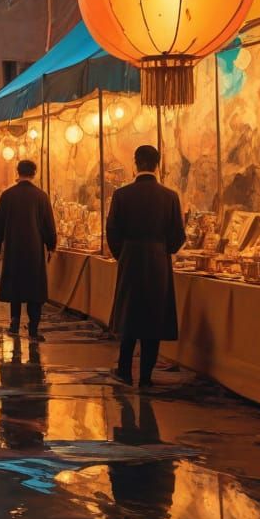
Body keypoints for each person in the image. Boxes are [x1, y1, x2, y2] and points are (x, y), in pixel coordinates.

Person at [106, 144, 186, 388]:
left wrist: (124, 253)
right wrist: (163, 250)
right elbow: (178, 235)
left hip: (130, 258)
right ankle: (146, 376)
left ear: (135, 163)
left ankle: (124, 370)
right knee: (153, 316)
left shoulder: (121, 195)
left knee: (131, 314)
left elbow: (112, 232)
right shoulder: (170, 196)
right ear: (157, 165)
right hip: (158, 260)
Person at [0, 159, 56, 340]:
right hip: (34, 248)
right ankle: (33, 328)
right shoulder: (41, 196)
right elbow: (49, 224)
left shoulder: (8, 195)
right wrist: (51, 245)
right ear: (34, 173)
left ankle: (14, 323)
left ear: (17, 172)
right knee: (34, 288)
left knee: (15, 286)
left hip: (14, 247)